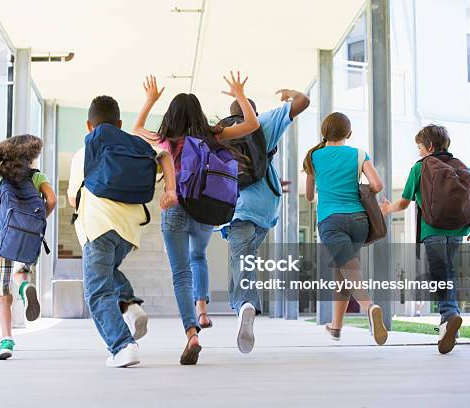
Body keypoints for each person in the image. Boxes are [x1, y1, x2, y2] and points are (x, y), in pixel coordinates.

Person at [132, 72, 259, 365]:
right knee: (198, 255)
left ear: (172, 116)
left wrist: (150, 99)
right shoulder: (213, 135)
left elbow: (137, 127)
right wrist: (239, 93)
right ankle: (203, 308)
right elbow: (251, 124)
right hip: (205, 209)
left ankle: (192, 333)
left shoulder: (167, 140)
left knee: (181, 274)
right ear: (199, 113)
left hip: (175, 207)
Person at [68, 95, 177, 368]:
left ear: (88, 126)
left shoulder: (84, 152)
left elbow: (73, 199)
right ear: (119, 123)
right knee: (108, 273)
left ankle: (122, 346)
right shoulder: (134, 149)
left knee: (97, 290)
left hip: (98, 227)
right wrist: (170, 188)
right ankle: (130, 303)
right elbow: (163, 155)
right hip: (129, 232)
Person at [218, 90, 309, 354]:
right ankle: (242, 305)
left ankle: (245, 304)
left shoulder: (220, 131)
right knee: (243, 260)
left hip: (236, 206)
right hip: (267, 206)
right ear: (252, 112)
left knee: (241, 261)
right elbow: (303, 102)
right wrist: (290, 94)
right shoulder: (263, 122)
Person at [381, 124, 470, 354]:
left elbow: (404, 203)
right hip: (458, 230)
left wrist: (386, 209)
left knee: (440, 275)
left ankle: (449, 316)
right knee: (448, 273)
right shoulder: (461, 167)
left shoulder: (420, 168)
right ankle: (448, 320)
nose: (418, 152)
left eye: (419, 147)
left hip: (431, 230)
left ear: (430, 147)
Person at [303, 112, 388, 345]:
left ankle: (368, 307)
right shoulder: (359, 154)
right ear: (348, 134)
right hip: (359, 221)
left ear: (324, 132)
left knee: (349, 270)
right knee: (343, 272)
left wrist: (323, 188)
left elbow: (309, 196)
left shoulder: (314, 157)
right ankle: (336, 327)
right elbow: (377, 185)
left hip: (331, 221)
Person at [0, 134, 58, 360]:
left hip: (0, 240)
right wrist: (38, 221)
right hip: (27, 236)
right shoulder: (37, 176)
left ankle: (6, 340)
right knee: (21, 272)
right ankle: (25, 288)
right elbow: (52, 199)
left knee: (2, 294)